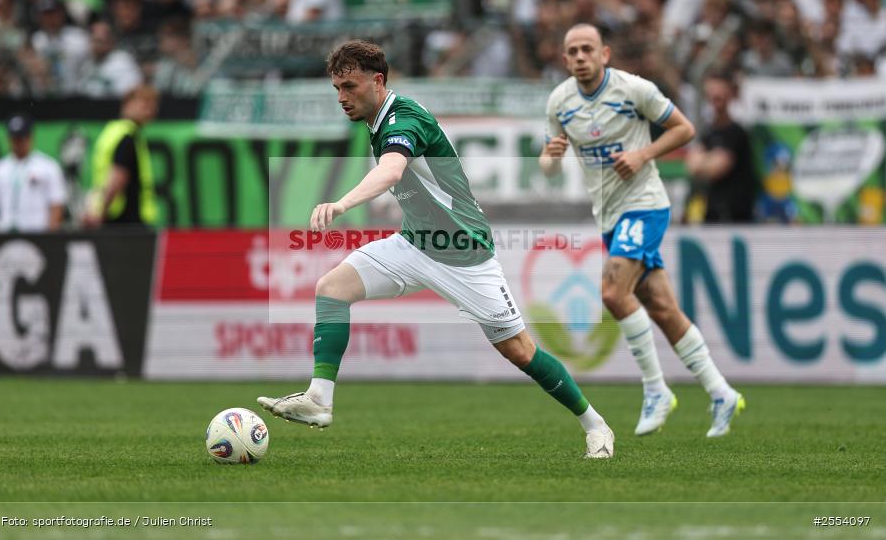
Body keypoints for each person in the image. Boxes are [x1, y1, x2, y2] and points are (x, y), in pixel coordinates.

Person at [258, 40, 616, 459]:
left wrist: (341, 204)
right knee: (332, 288)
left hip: (465, 254)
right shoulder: (377, 121)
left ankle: (596, 425)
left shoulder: (403, 118)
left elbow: (392, 171)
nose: (342, 97)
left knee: (520, 351)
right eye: (336, 88)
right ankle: (319, 399)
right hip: (414, 244)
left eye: (350, 86)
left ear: (378, 81)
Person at [539, 24, 744, 438]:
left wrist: (643, 154)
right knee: (663, 308)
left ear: (605, 54)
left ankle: (655, 389)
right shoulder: (559, 102)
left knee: (613, 293)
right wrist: (551, 156)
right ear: (564, 60)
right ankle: (721, 392)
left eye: (587, 49)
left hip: (645, 205)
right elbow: (548, 168)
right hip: (609, 216)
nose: (580, 57)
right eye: (572, 52)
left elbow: (684, 129)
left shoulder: (634, 90)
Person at [84, 85, 159, 227]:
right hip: (125, 222)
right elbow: (118, 176)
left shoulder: (112, 131)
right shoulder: (127, 136)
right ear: (127, 104)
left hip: (113, 217)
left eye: (153, 105)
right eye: (145, 104)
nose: (150, 110)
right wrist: (101, 212)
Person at [686, 75, 757, 223]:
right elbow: (692, 166)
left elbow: (718, 168)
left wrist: (704, 159)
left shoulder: (737, 132)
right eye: (711, 96)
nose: (715, 102)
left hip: (736, 215)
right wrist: (711, 158)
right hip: (712, 212)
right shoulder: (708, 131)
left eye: (719, 97)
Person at [0, 113, 66, 232]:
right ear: (9, 139)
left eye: (22, 138)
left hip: (37, 233)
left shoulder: (48, 167)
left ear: (30, 137)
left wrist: (50, 237)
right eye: (15, 138)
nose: (19, 143)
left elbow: (56, 204)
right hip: (5, 233)